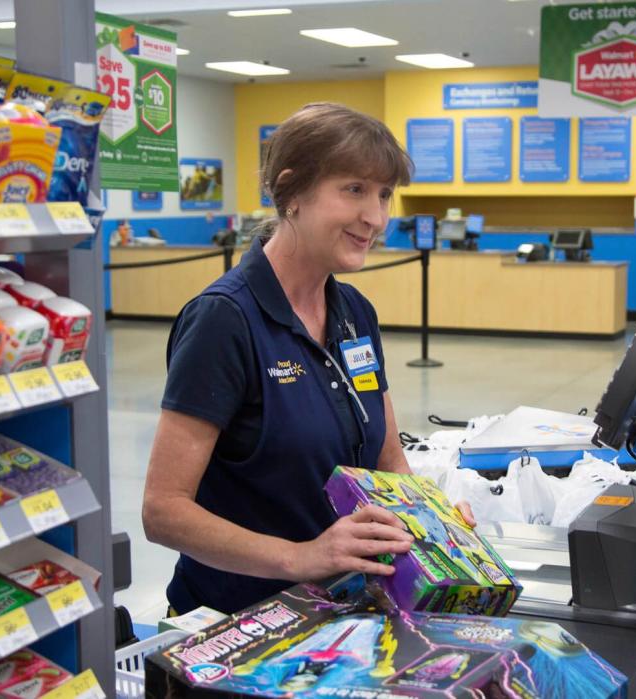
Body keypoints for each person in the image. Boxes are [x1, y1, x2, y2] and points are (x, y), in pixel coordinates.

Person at [141, 102, 474, 615]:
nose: (376, 217)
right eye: (354, 190)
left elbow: (387, 460)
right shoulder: (224, 320)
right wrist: (304, 557)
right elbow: (163, 512)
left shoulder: (354, 313)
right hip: (241, 620)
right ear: (292, 191)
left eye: (384, 194)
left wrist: (434, 524)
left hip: (341, 609)